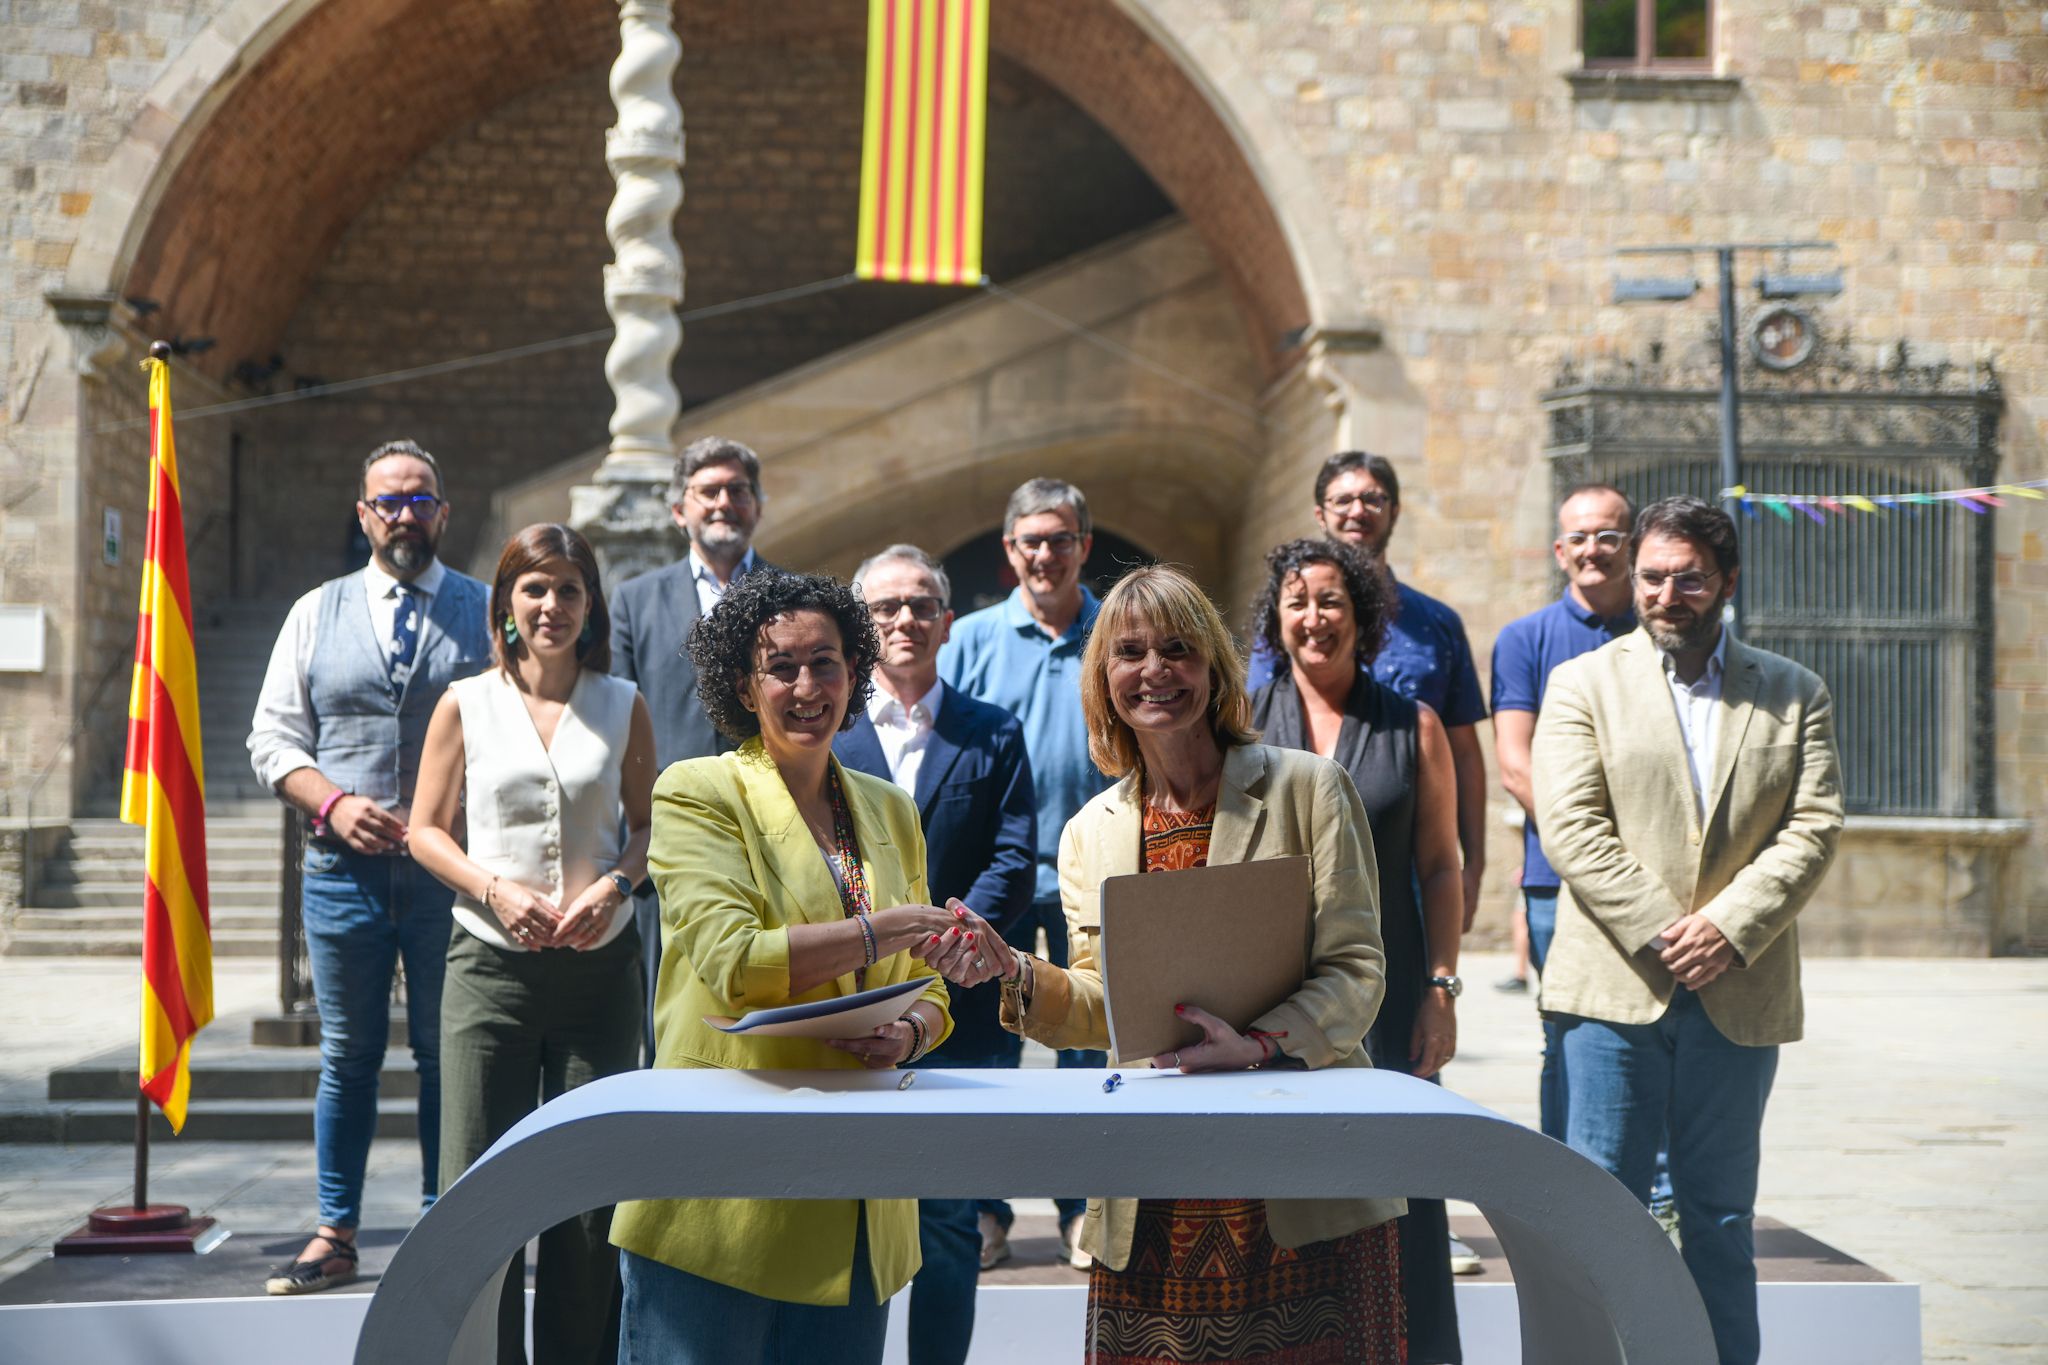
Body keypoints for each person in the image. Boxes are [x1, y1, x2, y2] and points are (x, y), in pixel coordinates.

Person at [935, 564, 1409, 1365]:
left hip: (1296, 1182)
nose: (1154, 671)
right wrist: (1012, 971)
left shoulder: (1310, 789)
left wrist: (1258, 1042)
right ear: (1103, 678)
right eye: (1130, 653)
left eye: (1178, 650)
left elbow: (1357, 969)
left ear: (1216, 668)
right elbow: (1104, 1002)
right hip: (1156, 1187)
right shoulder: (1091, 830)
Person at [609, 569, 962, 1365]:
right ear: (744, 682)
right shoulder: (698, 791)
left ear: (855, 670)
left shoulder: (890, 807)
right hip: (725, 1194)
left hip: (858, 1198)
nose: (808, 686)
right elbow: (735, 964)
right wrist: (885, 928)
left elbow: (929, 984)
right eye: (782, 667)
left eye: (827, 662)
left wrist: (909, 1031)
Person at [1533, 497, 1844, 1365]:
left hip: (1737, 992)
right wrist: (1673, 930)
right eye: (1654, 577)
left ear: (1728, 583)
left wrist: (1730, 929)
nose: (1670, 594)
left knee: (1719, 1216)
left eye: (1690, 578)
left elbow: (1814, 825)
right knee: (1600, 1211)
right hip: (1613, 994)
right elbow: (1571, 826)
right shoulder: (1582, 685)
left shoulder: (1794, 693)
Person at [247, 439, 493, 1295]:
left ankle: (442, 1220)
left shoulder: (487, 609)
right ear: (363, 514)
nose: (403, 515)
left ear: (443, 513)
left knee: (443, 1051)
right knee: (347, 1055)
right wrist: (333, 803)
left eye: (419, 500)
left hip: (447, 877)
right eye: (387, 501)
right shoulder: (316, 611)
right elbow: (273, 736)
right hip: (340, 875)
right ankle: (334, 1231)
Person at [408, 523, 656, 1363]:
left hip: (601, 972)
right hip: (489, 970)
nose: (552, 606)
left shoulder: (622, 702)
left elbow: (651, 828)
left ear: (591, 606)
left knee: (592, 1199)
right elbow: (425, 831)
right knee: (476, 1186)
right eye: (535, 589)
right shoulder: (465, 702)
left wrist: (615, 884)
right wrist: (494, 888)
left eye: (570, 590)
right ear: (507, 604)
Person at [1247, 537, 1466, 1364]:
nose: (1314, 618)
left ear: (1362, 617)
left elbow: (1442, 865)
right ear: (1277, 616)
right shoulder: (1239, 718)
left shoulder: (1414, 724)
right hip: (1267, 999)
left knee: (1398, 1194)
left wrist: (1441, 987)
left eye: (1332, 601)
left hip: (1390, 986)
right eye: (1298, 601)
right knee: (1282, 1198)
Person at [835, 544, 1037, 1365]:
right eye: (886, 608)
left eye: (921, 605)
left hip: (968, 1005)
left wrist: (957, 940)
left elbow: (1015, 855)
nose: (905, 620)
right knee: (854, 1209)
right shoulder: (832, 733)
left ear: (948, 621)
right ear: (863, 625)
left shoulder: (992, 731)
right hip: (853, 1004)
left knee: (951, 1217)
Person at [938, 476, 1113, 1270]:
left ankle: (1083, 1207)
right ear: (1010, 551)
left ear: (1083, 544)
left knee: (1087, 1045)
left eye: (1062, 539)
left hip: (1095, 874)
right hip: (1001, 876)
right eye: (1031, 542)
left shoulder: (1115, 629)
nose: (1047, 555)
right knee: (992, 1046)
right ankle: (987, 1209)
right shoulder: (971, 637)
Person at [1248, 452, 1489, 937]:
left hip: (1409, 852)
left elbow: (1463, 750)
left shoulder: (1438, 624)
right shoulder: (1287, 626)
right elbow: (1255, 734)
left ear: (1394, 510)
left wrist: (1474, 862)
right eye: (1343, 499)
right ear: (1321, 514)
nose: (1357, 510)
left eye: (1372, 498)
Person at [610, 436, 776, 1061]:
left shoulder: (792, 594)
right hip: (670, 843)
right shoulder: (634, 602)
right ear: (680, 509)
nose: (724, 503)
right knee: (669, 1017)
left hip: (772, 836)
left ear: (758, 505)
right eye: (708, 491)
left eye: (738, 491)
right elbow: (620, 723)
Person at [1489, 484, 1636, 1140]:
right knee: (1567, 1032)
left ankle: (1654, 1198)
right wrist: (1589, 845)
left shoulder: (1660, 631)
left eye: (1607, 535)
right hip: (1557, 879)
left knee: (1651, 1033)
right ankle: (1564, 1187)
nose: (1593, 549)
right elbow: (1515, 764)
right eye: (1579, 537)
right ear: (1558, 549)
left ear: (1630, 543)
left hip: (1656, 873)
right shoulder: (1525, 640)